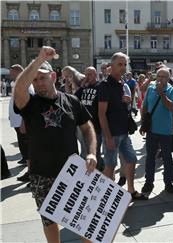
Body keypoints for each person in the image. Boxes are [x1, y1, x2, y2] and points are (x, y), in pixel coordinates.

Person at [13, 46, 97, 243]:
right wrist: (38, 60)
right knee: (49, 221)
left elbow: (87, 128)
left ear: (53, 76)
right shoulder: (29, 103)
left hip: (72, 172)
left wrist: (92, 153)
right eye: (35, 79)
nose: (39, 82)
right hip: (42, 174)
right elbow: (18, 89)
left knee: (84, 219)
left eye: (42, 77)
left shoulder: (72, 101)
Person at [98, 52, 144, 200]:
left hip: (123, 132)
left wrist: (128, 101)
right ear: (111, 66)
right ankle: (107, 196)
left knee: (131, 159)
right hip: (112, 133)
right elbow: (101, 114)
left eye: (125, 64)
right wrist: (107, 136)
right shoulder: (105, 86)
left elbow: (122, 107)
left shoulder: (121, 84)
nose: (123, 67)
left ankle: (130, 191)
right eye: (120, 64)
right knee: (110, 165)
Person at [140, 68, 173, 195]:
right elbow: (145, 106)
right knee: (150, 157)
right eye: (159, 76)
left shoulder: (172, 90)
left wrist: (162, 94)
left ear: (168, 78)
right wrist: (143, 124)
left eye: (164, 77)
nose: (160, 79)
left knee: (167, 158)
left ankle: (168, 182)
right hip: (152, 130)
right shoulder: (150, 88)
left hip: (166, 131)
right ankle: (148, 182)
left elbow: (171, 107)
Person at [75, 66, 104, 171]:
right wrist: (82, 86)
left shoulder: (100, 87)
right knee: (84, 151)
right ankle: (86, 173)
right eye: (86, 74)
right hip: (83, 125)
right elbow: (74, 99)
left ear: (95, 75)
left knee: (95, 152)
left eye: (90, 74)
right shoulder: (84, 88)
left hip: (96, 126)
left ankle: (99, 171)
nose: (87, 77)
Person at [8, 64, 34, 183]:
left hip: (22, 122)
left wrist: (24, 121)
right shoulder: (19, 83)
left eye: (12, 72)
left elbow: (28, 104)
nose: (10, 75)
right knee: (24, 147)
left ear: (18, 71)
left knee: (27, 147)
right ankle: (30, 172)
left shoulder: (25, 84)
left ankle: (31, 173)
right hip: (18, 121)